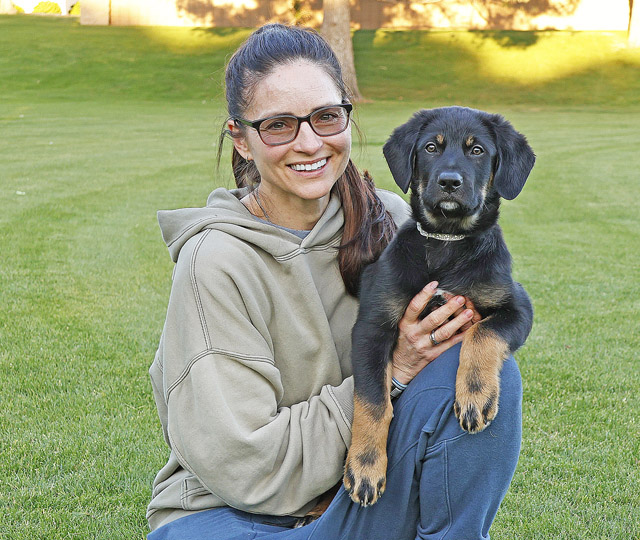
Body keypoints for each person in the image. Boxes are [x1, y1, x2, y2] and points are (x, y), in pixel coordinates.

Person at [146, 23, 522, 540]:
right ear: (242, 139)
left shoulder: (393, 222)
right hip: (232, 518)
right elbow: (246, 470)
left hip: (353, 500)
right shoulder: (215, 263)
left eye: (325, 117)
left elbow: (492, 320)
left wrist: (476, 339)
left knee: (482, 357)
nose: (309, 143)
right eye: (278, 125)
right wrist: (394, 371)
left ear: (347, 115)